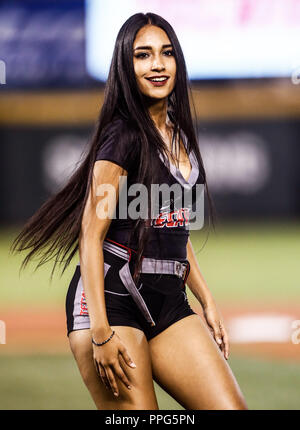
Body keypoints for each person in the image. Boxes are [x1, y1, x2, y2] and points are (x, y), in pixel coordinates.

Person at [11, 12, 248, 410]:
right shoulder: (122, 136)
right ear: (126, 65)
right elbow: (91, 232)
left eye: (166, 53)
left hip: (169, 301)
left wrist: (206, 300)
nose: (157, 64)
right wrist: (100, 333)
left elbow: (173, 228)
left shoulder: (180, 135)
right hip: (110, 300)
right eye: (143, 55)